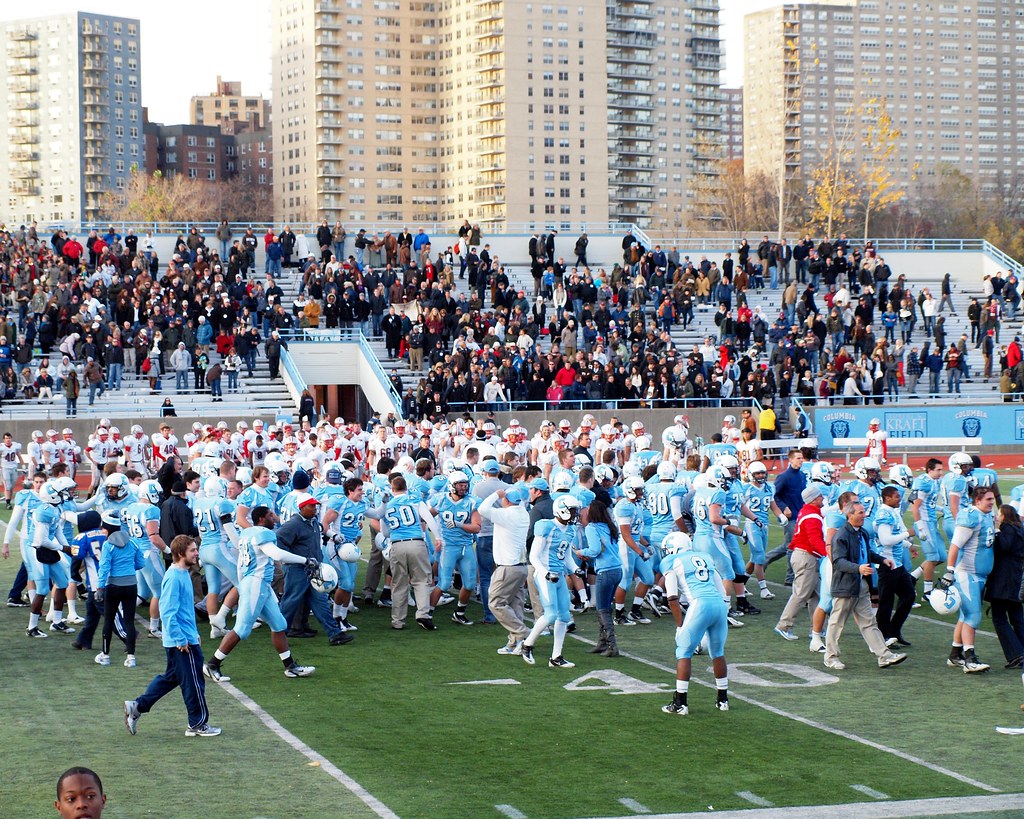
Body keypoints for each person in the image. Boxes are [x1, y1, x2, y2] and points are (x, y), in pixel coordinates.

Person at [202, 505, 316, 683]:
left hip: (258, 583)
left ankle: (290, 666)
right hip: (256, 583)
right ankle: (212, 664)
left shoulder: (246, 534)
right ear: (262, 519)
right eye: (271, 515)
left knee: (279, 624)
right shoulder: (263, 534)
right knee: (242, 629)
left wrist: (242, 584)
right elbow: (276, 554)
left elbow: (241, 564)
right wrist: (305, 560)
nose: (274, 518)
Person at [123, 535, 221, 738]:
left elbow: (183, 610)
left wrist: (192, 634)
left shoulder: (182, 573)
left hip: (185, 638)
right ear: (180, 554)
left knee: (171, 678)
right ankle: (197, 724)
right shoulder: (175, 577)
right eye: (192, 550)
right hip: (181, 642)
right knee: (194, 683)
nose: (196, 553)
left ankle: (138, 706)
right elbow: (167, 612)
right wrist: (181, 639)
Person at [824, 500, 907, 671]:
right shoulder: (841, 536)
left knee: (868, 621)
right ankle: (830, 657)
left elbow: (866, 553)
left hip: (860, 584)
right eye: (860, 513)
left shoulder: (861, 533)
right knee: (837, 622)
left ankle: (884, 656)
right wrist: (858, 568)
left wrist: (882, 559)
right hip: (846, 586)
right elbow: (838, 562)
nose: (865, 515)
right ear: (850, 514)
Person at [661, 531, 730, 715]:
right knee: (718, 653)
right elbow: (722, 590)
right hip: (719, 605)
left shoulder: (671, 562)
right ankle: (723, 700)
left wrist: (679, 625)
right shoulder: (704, 557)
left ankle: (680, 703)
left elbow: (673, 598)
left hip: (700, 604)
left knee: (683, 651)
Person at [276, 494, 353, 645]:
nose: (315, 509)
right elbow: (279, 541)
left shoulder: (311, 521)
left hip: (313, 569)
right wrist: (286, 559)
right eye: (311, 506)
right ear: (302, 507)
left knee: (321, 601)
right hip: (298, 570)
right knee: (290, 602)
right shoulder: (293, 524)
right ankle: (280, 635)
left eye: (316, 506)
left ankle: (335, 634)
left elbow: (320, 531)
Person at [520, 494, 582, 668]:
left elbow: (567, 555)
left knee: (563, 616)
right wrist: (546, 573)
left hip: (559, 574)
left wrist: (575, 569)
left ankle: (556, 657)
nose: (575, 515)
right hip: (545, 574)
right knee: (551, 615)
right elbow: (534, 556)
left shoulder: (570, 530)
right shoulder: (547, 527)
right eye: (572, 511)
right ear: (561, 510)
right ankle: (527, 644)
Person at [940, 485, 997, 673]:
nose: (992, 502)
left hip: (979, 575)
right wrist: (949, 571)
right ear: (977, 500)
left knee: (965, 616)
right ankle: (970, 659)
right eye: (988, 499)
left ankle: (955, 654)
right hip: (967, 573)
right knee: (973, 616)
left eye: (992, 499)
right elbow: (955, 545)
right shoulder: (971, 516)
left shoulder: (985, 515)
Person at [381, 474, 442, 630]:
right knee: (422, 580)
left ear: (392, 489)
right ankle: (423, 614)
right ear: (406, 488)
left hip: (397, 545)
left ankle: (398, 621)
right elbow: (429, 519)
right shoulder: (415, 500)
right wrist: (438, 537)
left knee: (399, 583)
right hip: (416, 542)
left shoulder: (387, 505)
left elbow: (385, 532)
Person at [479, 483, 531, 655]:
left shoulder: (506, 514)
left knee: (496, 603)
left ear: (507, 501)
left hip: (508, 567)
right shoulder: (523, 513)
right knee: (515, 605)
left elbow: (482, 509)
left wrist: (496, 494)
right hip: (521, 567)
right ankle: (516, 643)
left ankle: (525, 633)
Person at [774, 484, 826, 641]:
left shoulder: (808, 511)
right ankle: (784, 625)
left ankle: (817, 628)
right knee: (801, 594)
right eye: (820, 496)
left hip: (804, 556)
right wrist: (828, 554)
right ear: (814, 499)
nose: (822, 498)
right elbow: (814, 540)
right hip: (806, 557)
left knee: (816, 595)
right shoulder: (812, 516)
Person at [94, 511, 145, 667]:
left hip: (113, 586)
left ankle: (105, 655)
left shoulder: (108, 546)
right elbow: (141, 563)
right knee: (129, 621)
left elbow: (104, 568)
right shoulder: (133, 543)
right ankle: (131, 657)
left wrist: (100, 587)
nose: (102, 530)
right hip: (131, 585)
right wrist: (128, 569)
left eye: (104, 528)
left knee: (109, 620)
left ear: (108, 529)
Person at [576, 499, 622, 658]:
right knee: (606, 607)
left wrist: (581, 552)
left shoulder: (592, 528)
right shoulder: (610, 527)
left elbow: (595, 550)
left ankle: (611, 645)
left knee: (602, 609)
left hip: (606, 571)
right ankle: (603, 642)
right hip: (617, 569)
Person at [874, 486, 916, 647]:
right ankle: (883, 636)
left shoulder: (893, 512)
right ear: (887, 498)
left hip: (896, 564)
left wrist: (907, 545)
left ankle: (894, 630)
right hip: (887, 563)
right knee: (886, 602)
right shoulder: (884, 514)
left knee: (909, 596)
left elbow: (894, 537)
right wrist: (908, 534)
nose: (899, 499)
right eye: (896, 496)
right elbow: (886, 540)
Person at [985, 505, 1024, 668]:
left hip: (1003, 580)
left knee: (999, 618)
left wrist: (996, 531)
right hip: (1016, 578)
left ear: (1004, 516)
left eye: (999, 514)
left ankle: (1016, 654)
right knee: (1017, 618)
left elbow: (1004, 546)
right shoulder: (1020, 529)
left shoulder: (1007, 528)